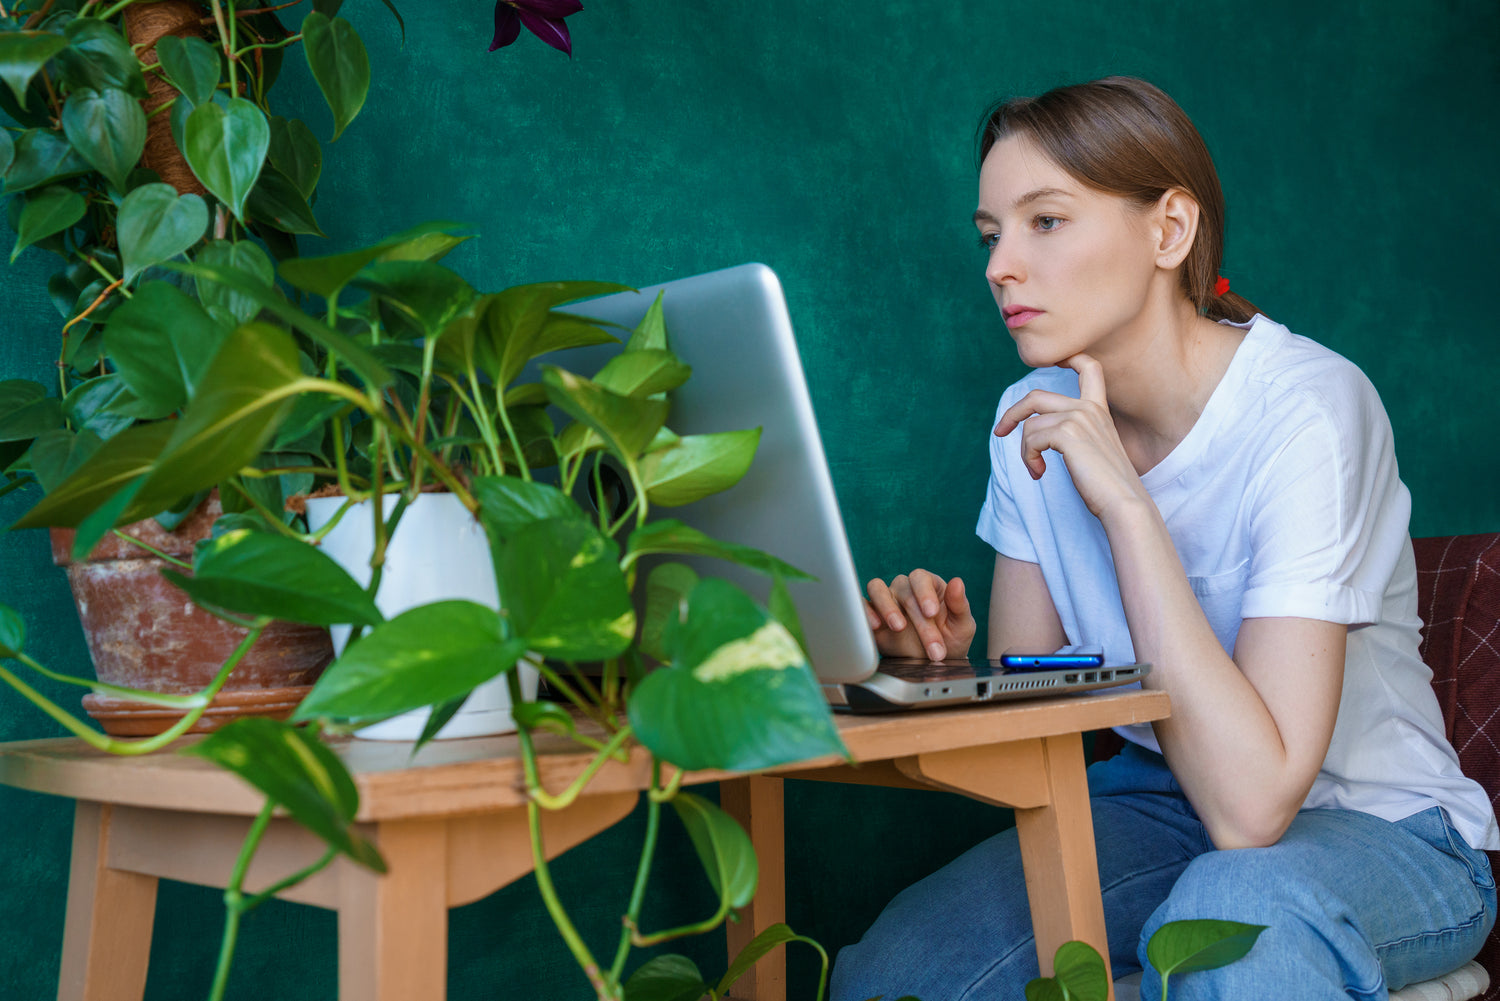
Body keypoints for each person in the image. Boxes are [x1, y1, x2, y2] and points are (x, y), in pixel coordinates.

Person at [828, 76, 1498, 1001]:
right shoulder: (1030, 417)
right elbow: (1044, 682)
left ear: (1170, 230)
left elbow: (1253, 805)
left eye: (1046, 222)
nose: (999, 266)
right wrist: (939, 670)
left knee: (1229, 921)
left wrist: (1130, 513)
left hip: (1385, 828)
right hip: (1156, 807)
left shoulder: (1311, 409)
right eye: (991, 235)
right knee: (894, 971)